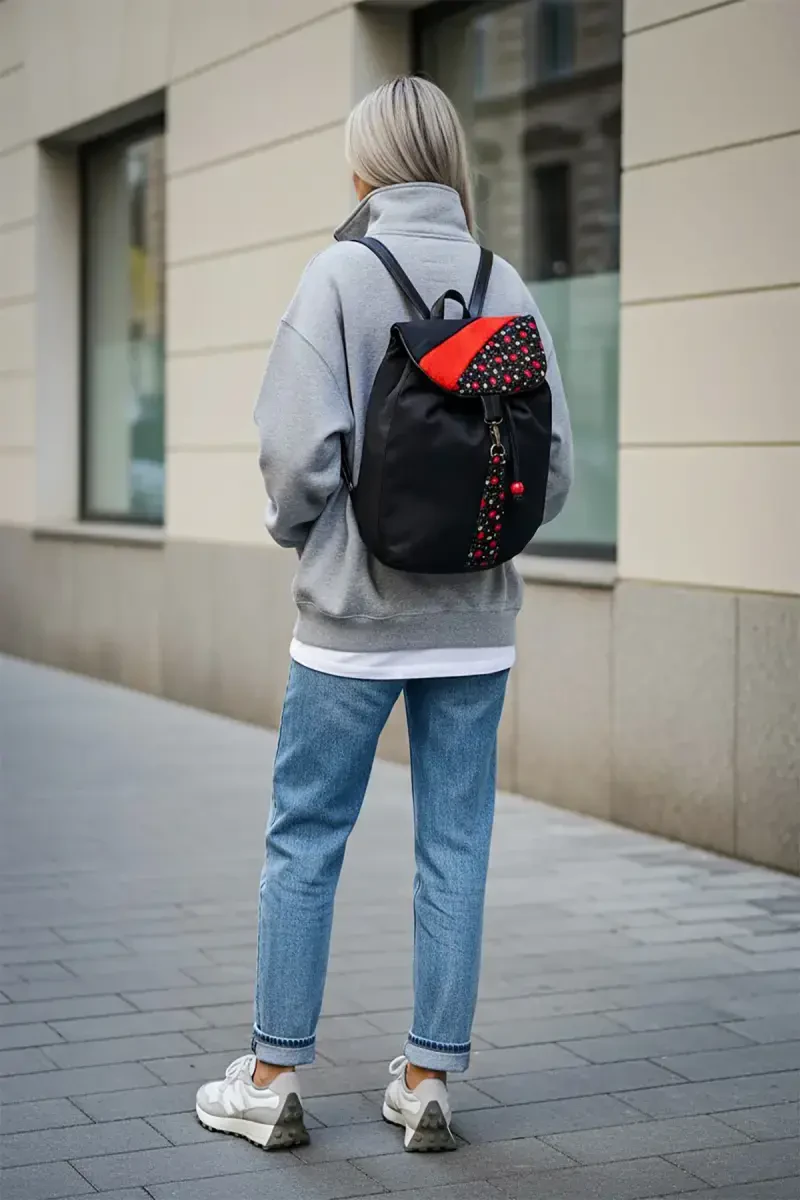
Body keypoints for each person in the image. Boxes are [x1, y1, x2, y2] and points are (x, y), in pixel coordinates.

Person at [196, 76, 572, 1153]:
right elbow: (552, 472)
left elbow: (294, 458)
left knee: (306, 837)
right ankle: (427, 1079)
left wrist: (301, 536)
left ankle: (272, 1077)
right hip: (475, 626)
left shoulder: (339, 277)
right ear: (450, 162)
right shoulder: (506, 283)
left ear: (365, 169)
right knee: (455, 843)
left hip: (350, 624)